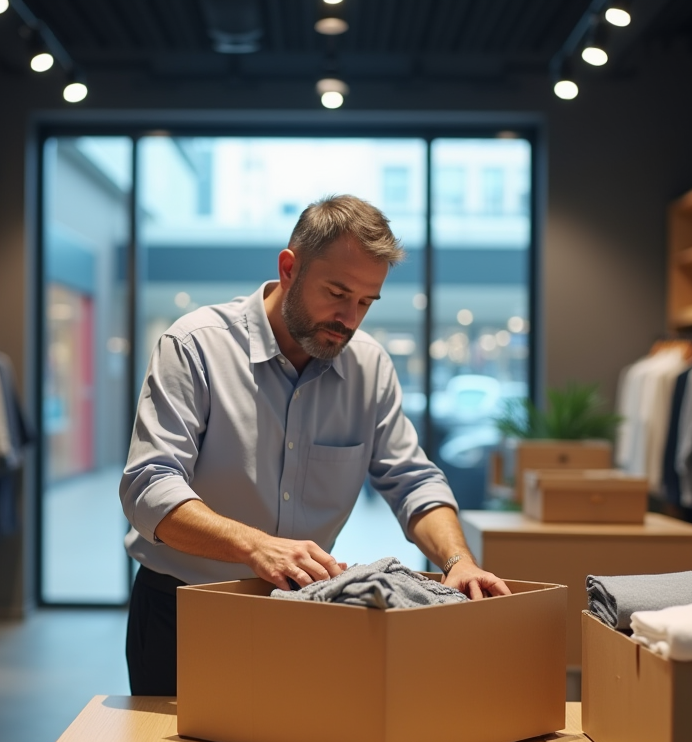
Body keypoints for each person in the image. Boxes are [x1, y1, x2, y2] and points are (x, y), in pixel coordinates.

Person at [120, 194, 510, 696]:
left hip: (303, 613)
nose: (349, 318)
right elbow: (148, 486)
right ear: (289, 268)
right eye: (337, 293)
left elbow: (413, 481)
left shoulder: (368, 367)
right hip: (183, 610)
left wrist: (459, 562)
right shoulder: (195, 346)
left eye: (366, 303)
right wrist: (255, 545)